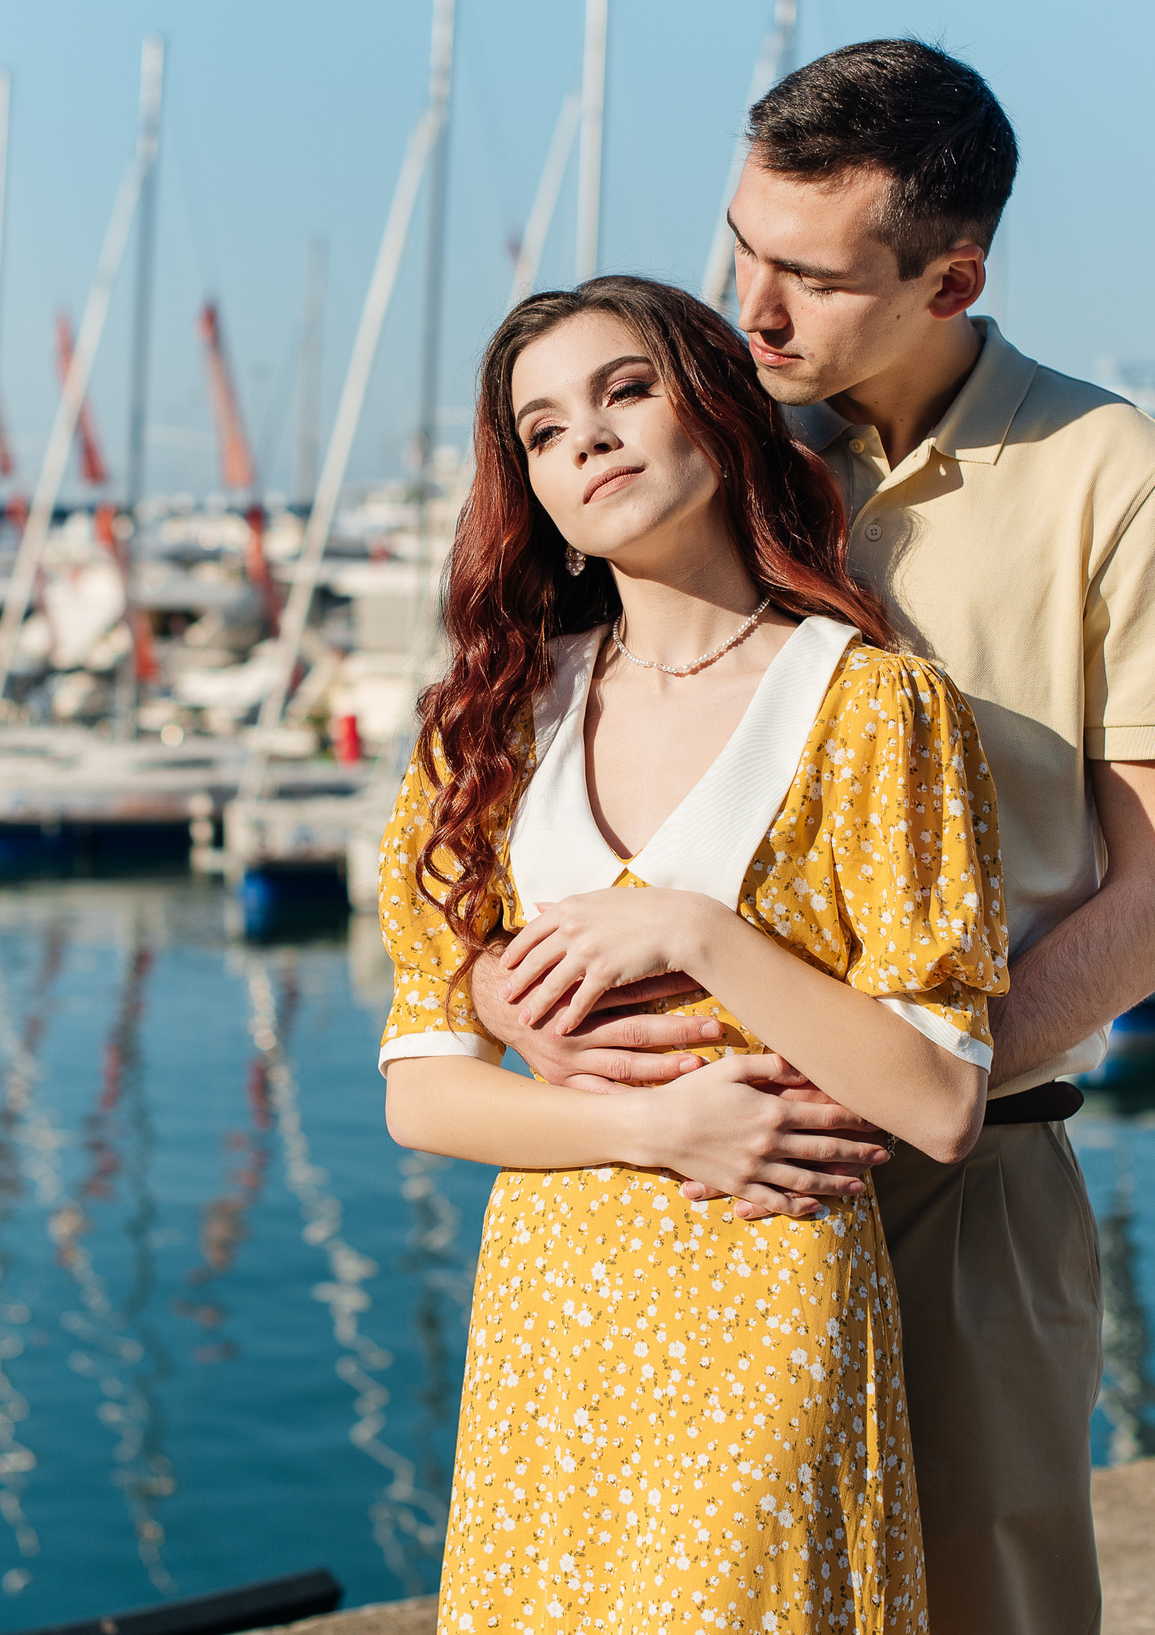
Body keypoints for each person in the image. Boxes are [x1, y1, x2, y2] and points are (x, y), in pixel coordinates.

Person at [466, 41, 1155, 1634]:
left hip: (969, 1180)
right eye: (743, 246)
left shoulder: (1115, 478)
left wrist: (895, 1094)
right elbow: (515, 778)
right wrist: (501, 1000)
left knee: (983, 1607)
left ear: (951, 276)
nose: (751, 310)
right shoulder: (694, 428)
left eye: (808, 277)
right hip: (680, 1194)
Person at [379, 274, 1008, 1630]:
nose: (587, 442)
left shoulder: (872, 705)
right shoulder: (487, 725)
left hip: (769, 1298)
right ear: (530, 487)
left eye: (623, 393)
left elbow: (943, 1098)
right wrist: (659, 1124)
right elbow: (422, 1090)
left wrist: (698, 929)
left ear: (717, 416)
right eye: (542, 431)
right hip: (553, 1319)